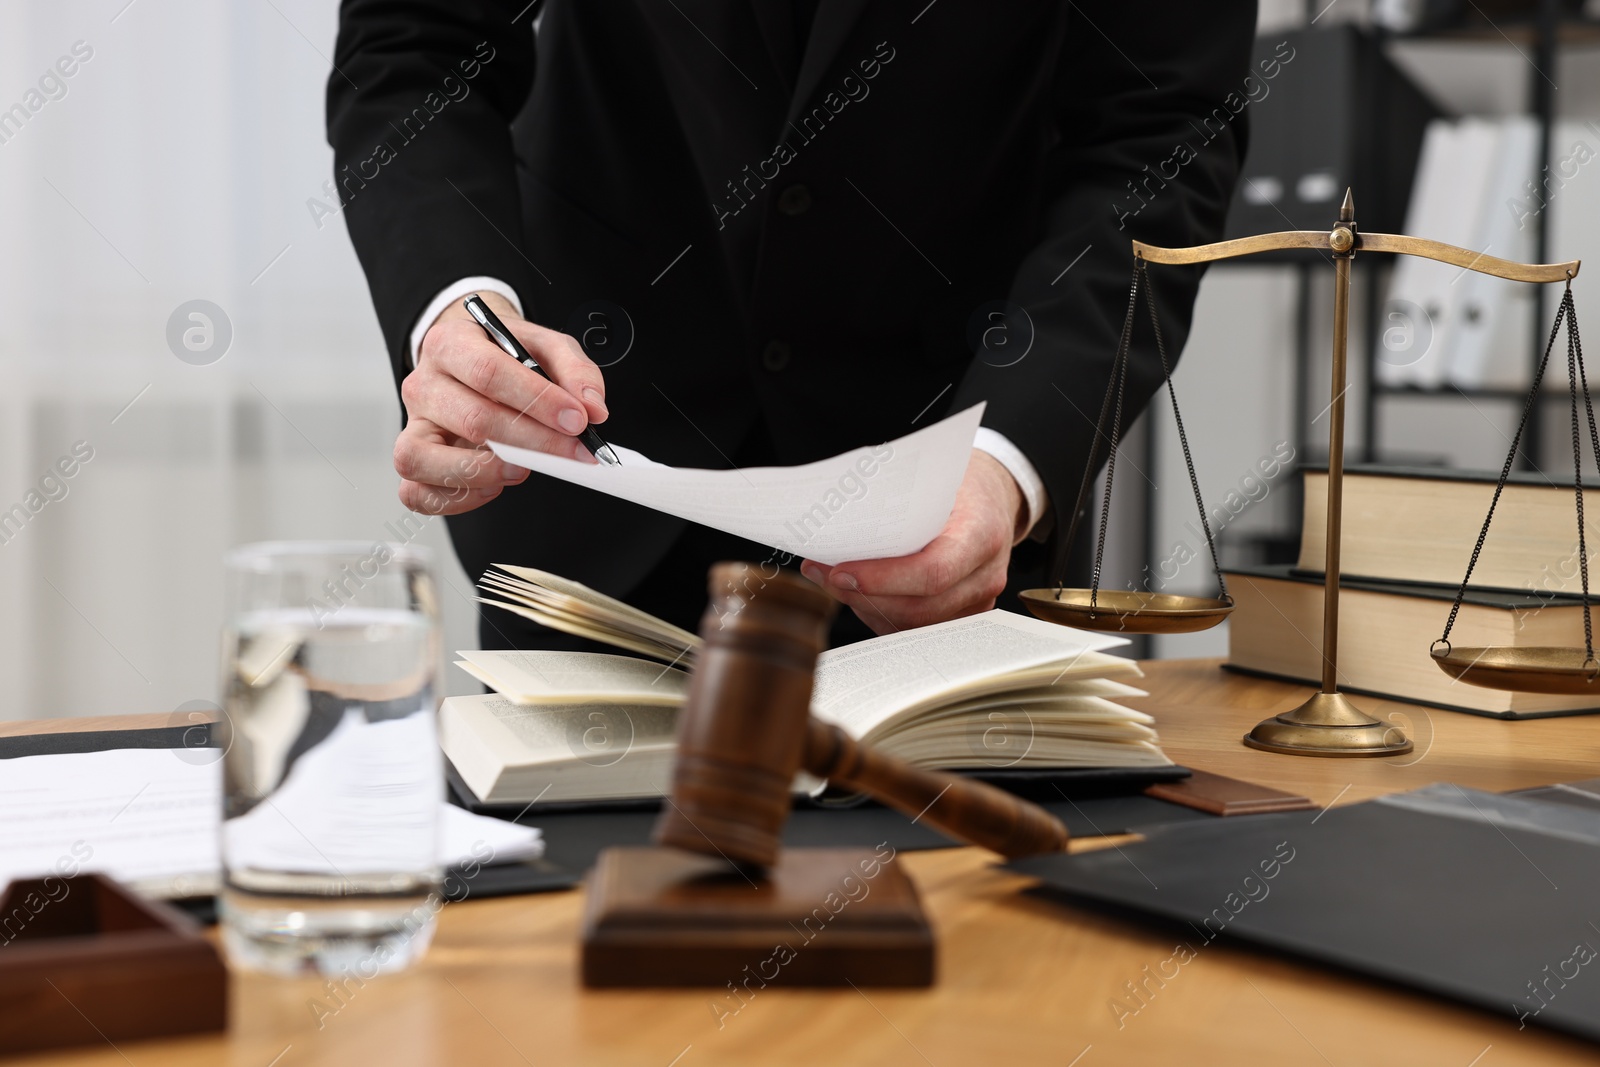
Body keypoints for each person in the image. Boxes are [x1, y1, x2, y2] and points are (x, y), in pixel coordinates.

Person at [327, 0, 1255, 651]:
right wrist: (456, 308)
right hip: (592, 498)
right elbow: (417, 45)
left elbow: (1159, 128)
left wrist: (1011, 459)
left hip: (948, 516)